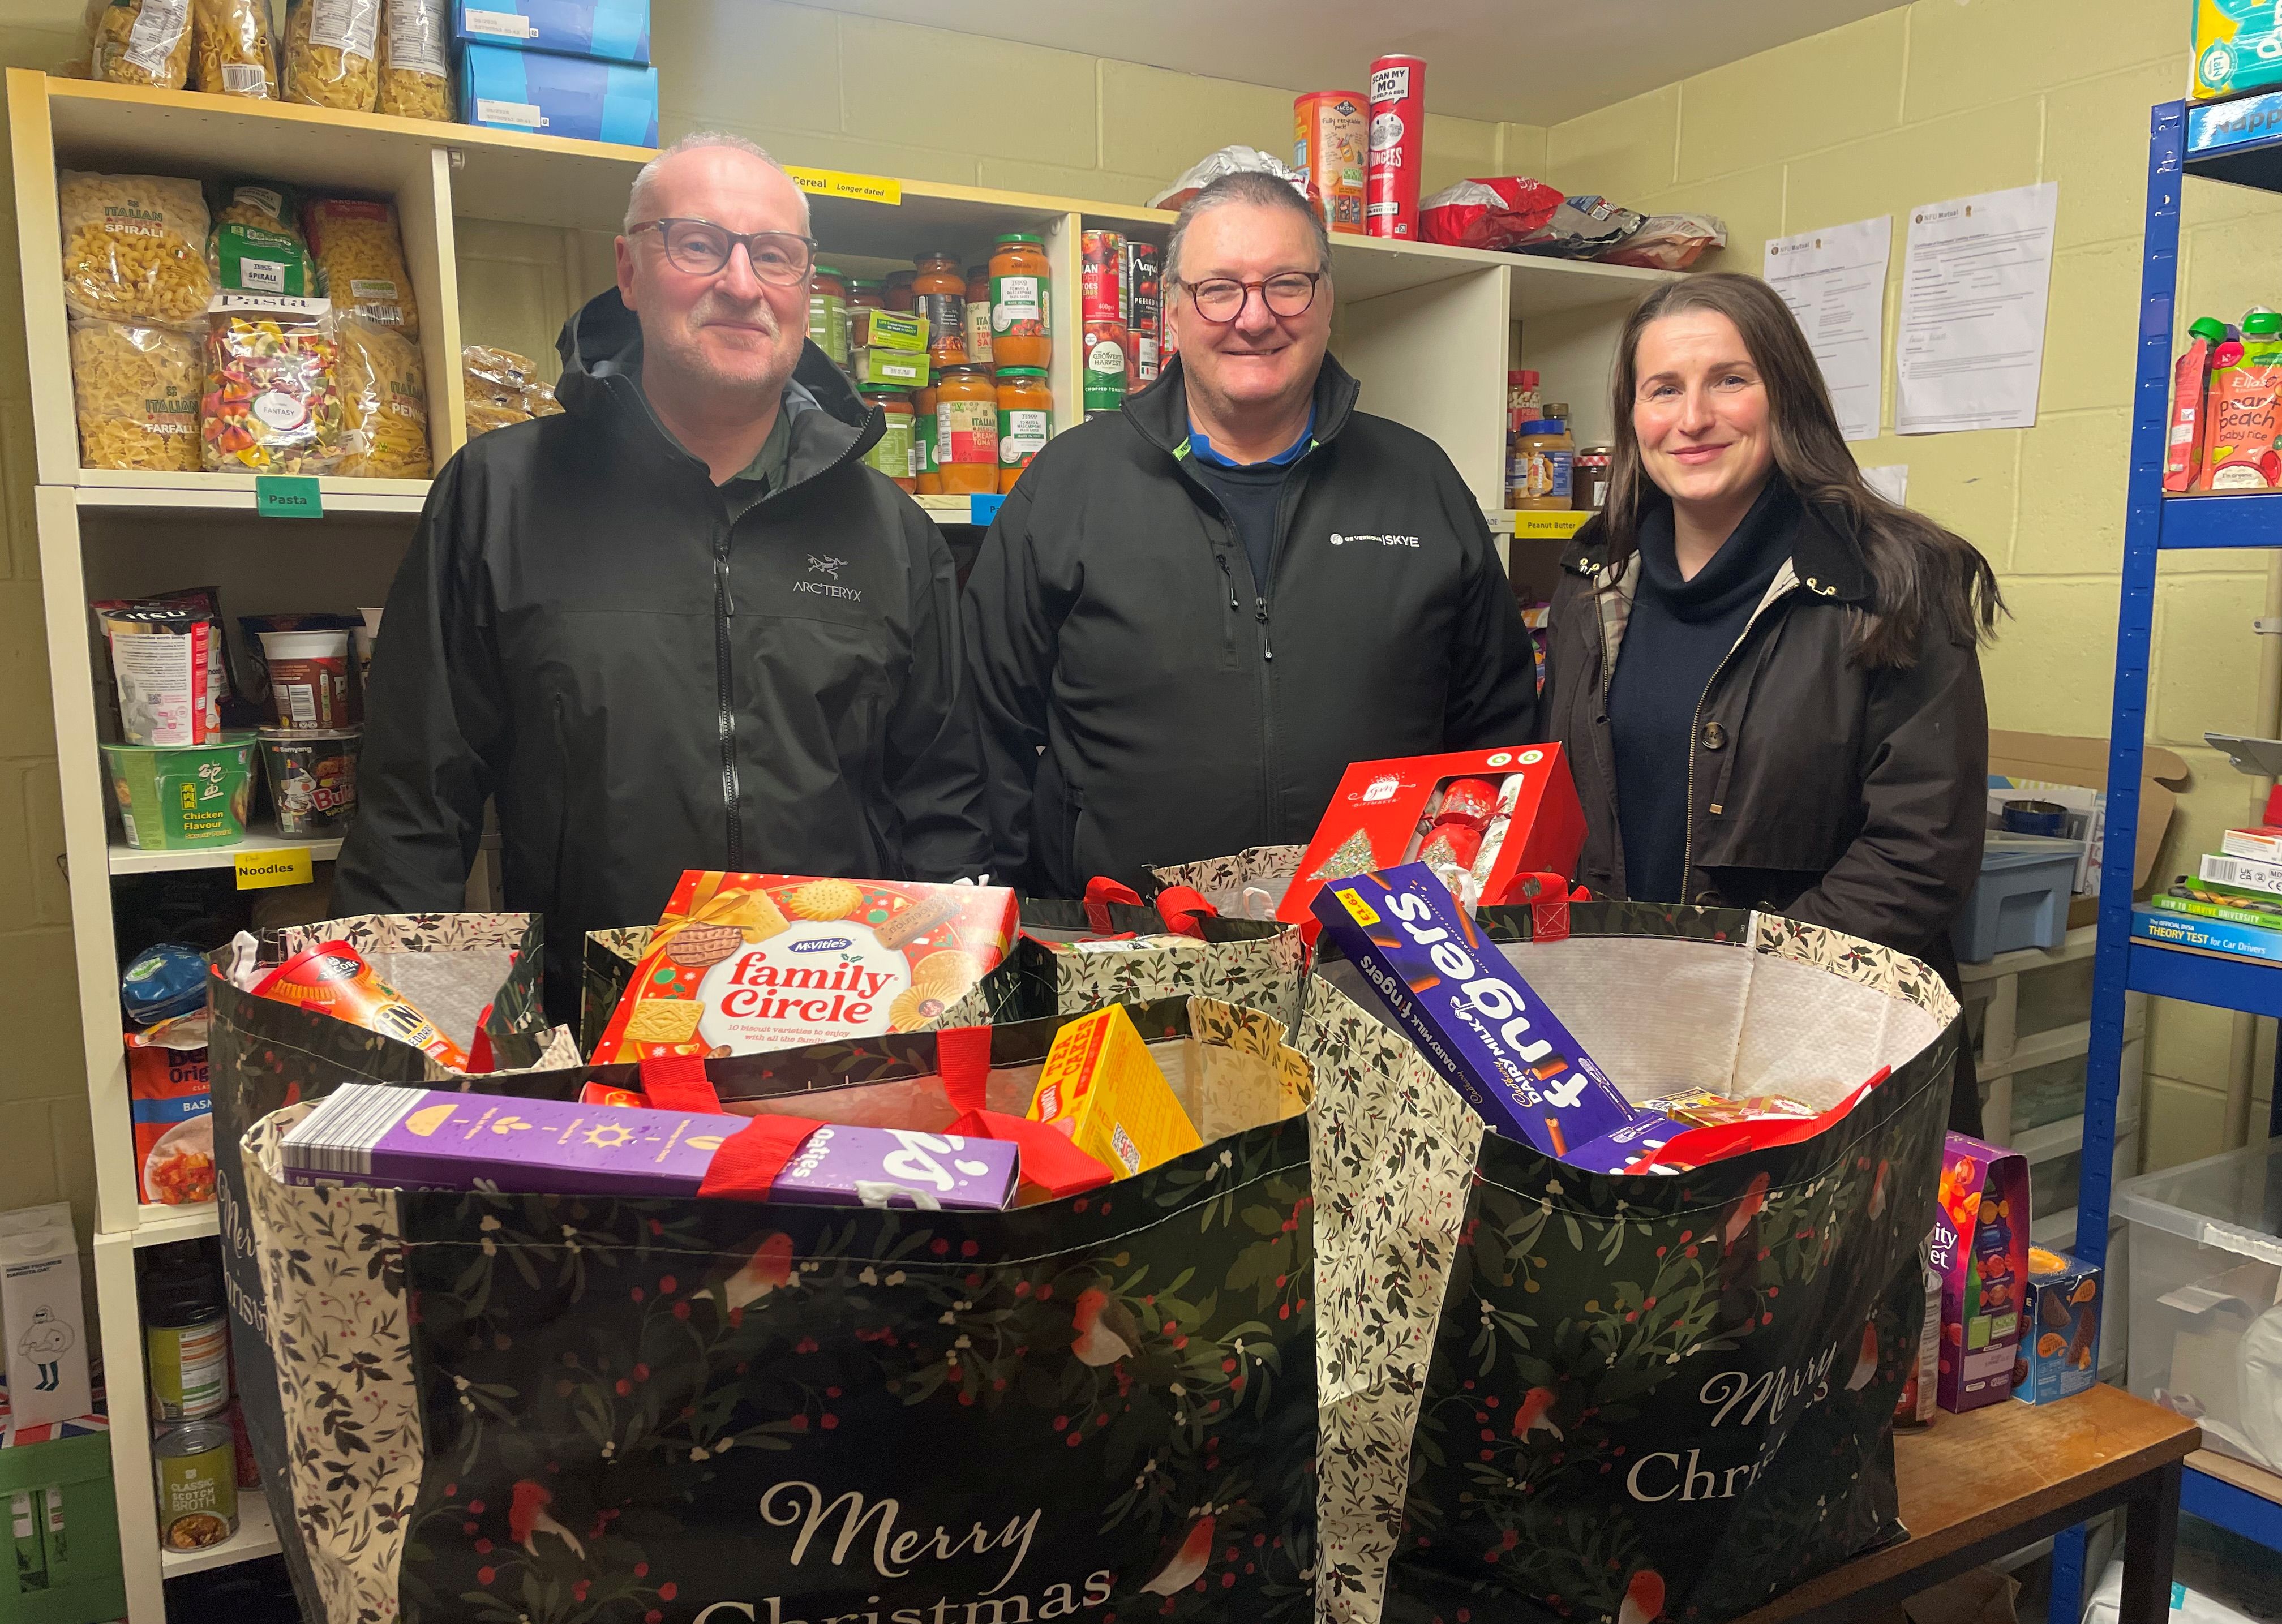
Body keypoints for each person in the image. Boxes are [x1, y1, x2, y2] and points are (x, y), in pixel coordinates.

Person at [334, 132, 988, 1017]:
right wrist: (394, 1045)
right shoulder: (499, 496)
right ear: (630, 271)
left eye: (775, 255)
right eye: (699, 244)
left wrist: (943, 1032)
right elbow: (415, 808)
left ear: (803, 287)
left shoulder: (894, 533)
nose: (742, 283)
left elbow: (942, 811)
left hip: (836, 1038)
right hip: (594, 1037)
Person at [962, 170, 1539, 897]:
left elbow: (1499, 728)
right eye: (1219, 289)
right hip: (1127, 946)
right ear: (1174, 309)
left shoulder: (1418, 481)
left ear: (1327, 301)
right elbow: (987, 726)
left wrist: (1466, 898)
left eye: (1286, 284)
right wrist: (1019, 922)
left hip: (1374, 944)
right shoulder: (1071, 482)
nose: (1255, 317)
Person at [1536, 272, 1999, 1131]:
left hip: (1825, 1048)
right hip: (1624, 1031)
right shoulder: (1594, 578)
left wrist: (1737, 984)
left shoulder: (1894, 579)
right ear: (1633, 416)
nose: (1693, 418)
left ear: (1786, 395)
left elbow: (1919, 853)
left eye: (1730, 381)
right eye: (1662, 389)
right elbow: (1565, 804)